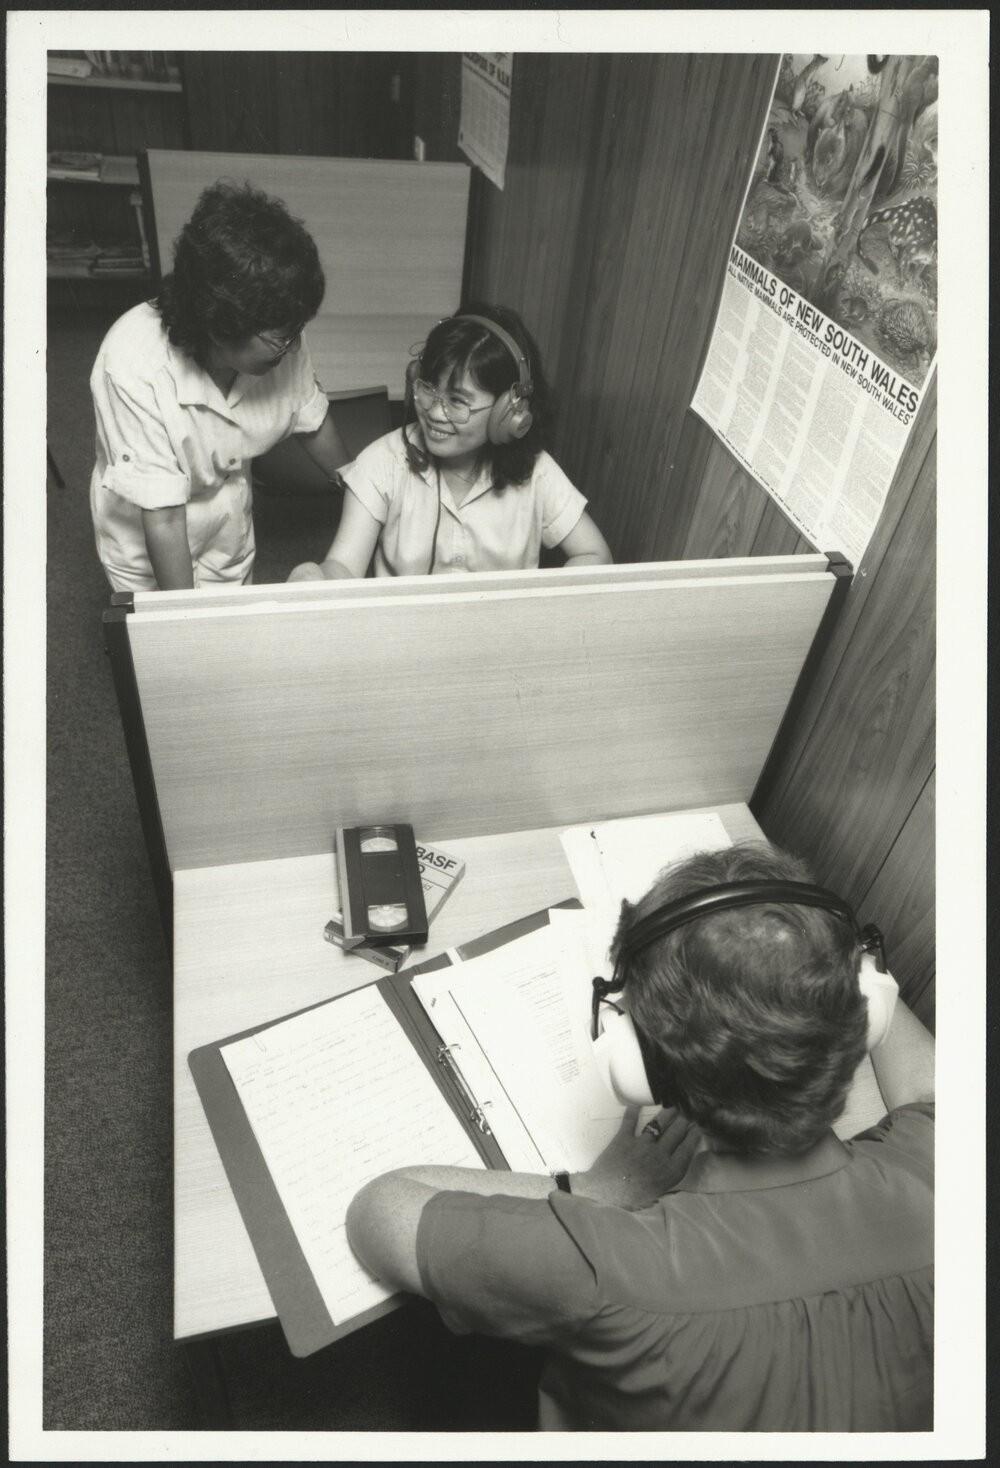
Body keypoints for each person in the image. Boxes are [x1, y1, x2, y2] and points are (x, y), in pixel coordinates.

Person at [346, 843, 934, 1432]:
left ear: (640, 1065)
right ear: (871, 1010)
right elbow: (931, 1086)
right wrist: (823, 983)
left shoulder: (608, 1268)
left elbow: (378, 1212)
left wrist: (601, 1190)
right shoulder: (948, 1177)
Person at [89, 180, 350, 591]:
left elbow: (310, 418)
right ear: (220, 325)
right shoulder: (133, 365)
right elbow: (163, 518)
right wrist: (188, 618)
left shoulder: (279, 331)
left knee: (232, 619)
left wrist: (364, 491)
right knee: (172, 629)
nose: (296, 346)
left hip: (227, 521)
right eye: (283, 338)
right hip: (148, 536)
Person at [287, 305, 612, 580]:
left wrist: (538, 608)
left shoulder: (537, 473)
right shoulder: (381, 462)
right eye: (428, 389)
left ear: (508, 412)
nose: (434, 412)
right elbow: (344, 565)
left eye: (458, 401)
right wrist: (318, 577)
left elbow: (595, 554)